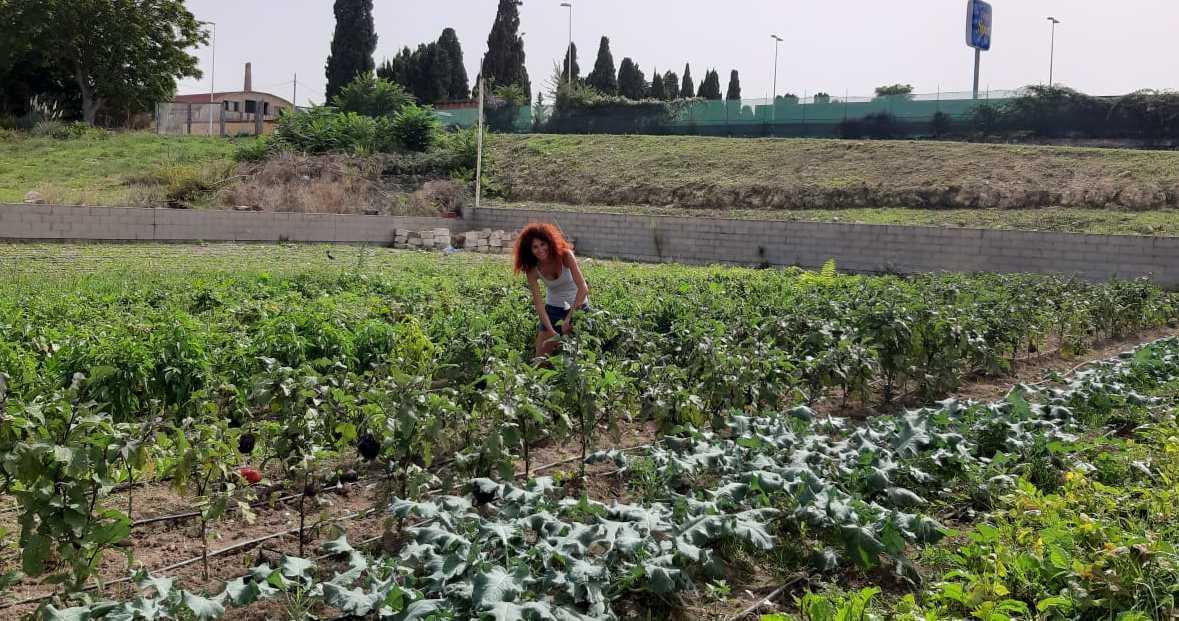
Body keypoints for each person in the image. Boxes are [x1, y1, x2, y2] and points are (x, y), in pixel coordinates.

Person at [513, 223, 590, 358]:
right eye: (535, 247)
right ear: (529, 250)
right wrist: (550, 329)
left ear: (549, 242)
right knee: (540, 358)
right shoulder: (532, 269)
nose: (540, 250)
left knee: (574, 355)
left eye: (543, 244)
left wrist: (569, 318)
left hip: (577, 307)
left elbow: (583, 288)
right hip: (553, 310)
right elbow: (539, 304)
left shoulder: (565, 256)